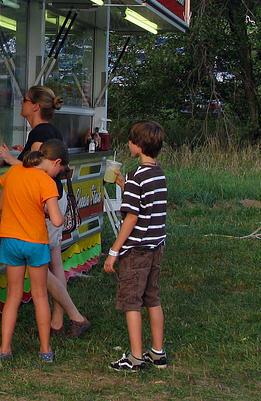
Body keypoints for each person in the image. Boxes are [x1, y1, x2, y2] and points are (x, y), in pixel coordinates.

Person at [104, 120, 168, 371]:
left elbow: (131, 217)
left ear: (138, 146)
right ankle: (158, 353)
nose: (129, 144)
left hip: (136, 250)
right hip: (156, 246)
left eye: (131, 141)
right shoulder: (158, 174)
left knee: (132, 301)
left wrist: (113, 251)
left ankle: (135, 357)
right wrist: (124, 186)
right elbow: (146, 202)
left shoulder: (136, 177)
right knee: (152, 298)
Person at [0, 150, 64, 362]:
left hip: (10, 239)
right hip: (35, 241)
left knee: (13, 296)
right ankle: (45, 350)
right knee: (40, 295)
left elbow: (0, 206)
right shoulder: (46, 182)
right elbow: (57, 220)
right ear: (53, 163)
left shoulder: (13, 173)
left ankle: (4, 350)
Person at [39, 139, 91, 338]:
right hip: (55, 218)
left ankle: (75, 316)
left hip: (49, 222)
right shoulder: (54, 178)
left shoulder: (47, 178)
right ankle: (57, 321)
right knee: (56, 263)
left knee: (39, 270)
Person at [0, 85, 64, 165]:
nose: (21, 102)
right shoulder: (50, 130)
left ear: (36, 106)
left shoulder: (41, 132)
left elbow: (36, 170)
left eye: (25, 100)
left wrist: (9, 158)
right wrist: (26, 152)